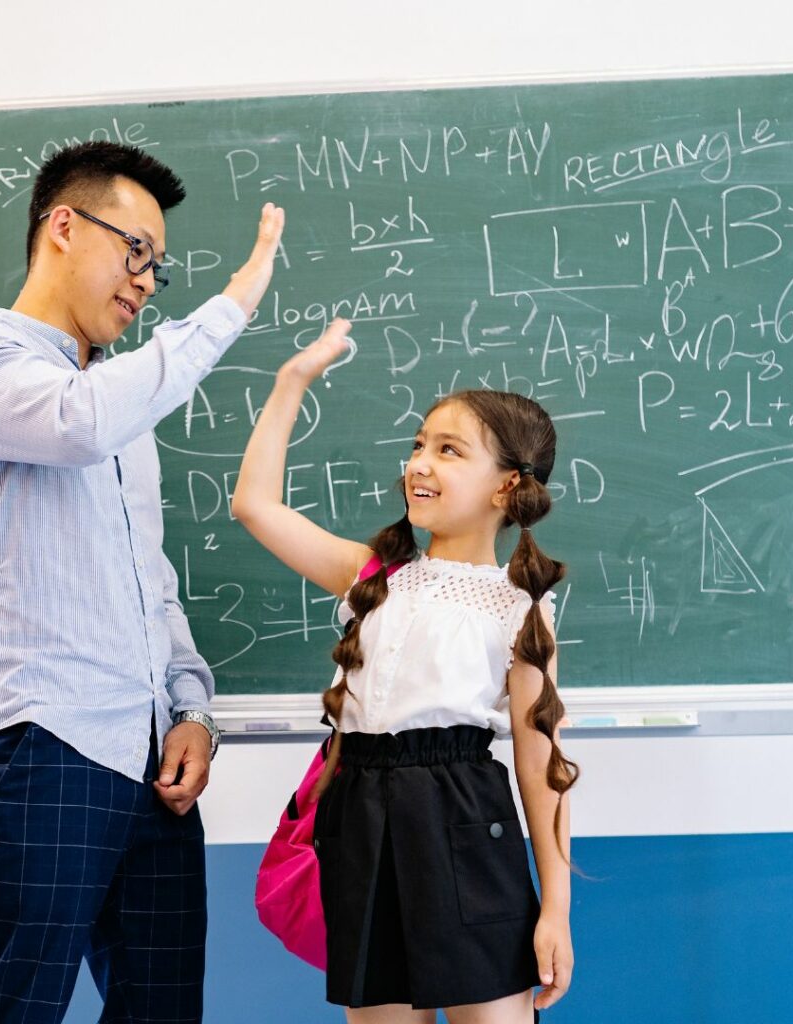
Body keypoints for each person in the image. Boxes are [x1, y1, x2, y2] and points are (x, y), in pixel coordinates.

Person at [0, 139, 284, 1024]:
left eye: (159, 267)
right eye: (137, 253)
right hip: (38, 739)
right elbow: (78, 425)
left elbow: (146, 574)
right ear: (64, 226)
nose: (147, 281)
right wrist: (230, 307)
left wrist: (191, 706)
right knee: (19, 1007)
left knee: (162, 1012)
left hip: (147, 757)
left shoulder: (119, 404)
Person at [232, 320, 578, 1023]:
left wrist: (556, 909)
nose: (420, 462)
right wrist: (290, 381)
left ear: (506, 487)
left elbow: (541, 767)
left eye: (449, 450)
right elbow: (254, 505)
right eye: (419, 444)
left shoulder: (520, 609)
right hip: (359, 817)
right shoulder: (375, 576)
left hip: (465, 816)